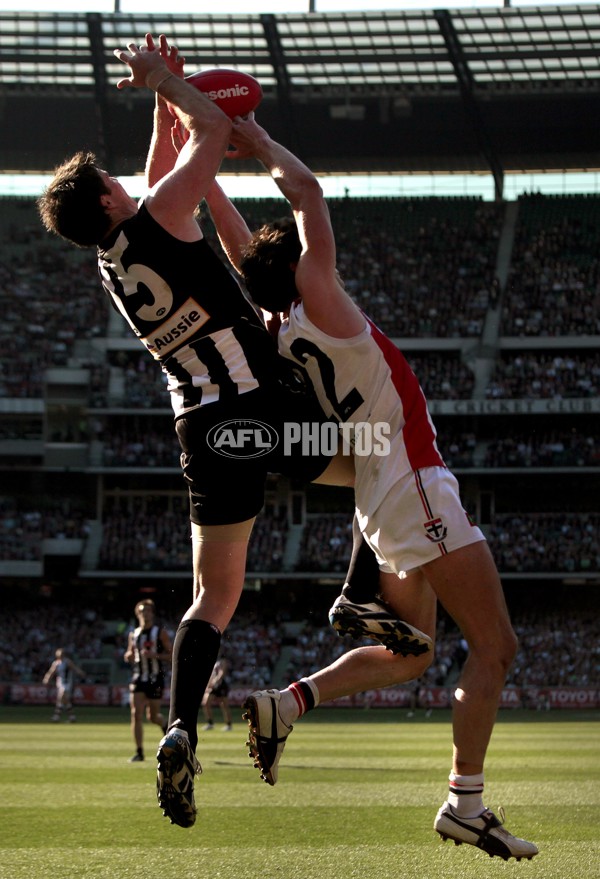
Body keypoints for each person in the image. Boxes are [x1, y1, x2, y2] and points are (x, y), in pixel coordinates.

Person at [38, 33, 404, 830]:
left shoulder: (115, 254)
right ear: (105, 199)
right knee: (382, 452)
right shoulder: (162, 214)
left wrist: (164, 108)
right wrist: (168, 83)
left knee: (213, 597)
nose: (120, 180)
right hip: (263, 410)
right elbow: (200, 145)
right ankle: (360, 592)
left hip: (203, 432)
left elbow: (163, 166)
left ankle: (180, 726)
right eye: (109, 180)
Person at [205, 114, 538, 861]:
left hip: (379, 491)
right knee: (497, 644)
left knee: (416, 652)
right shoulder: (318, 293)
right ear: (299, 266)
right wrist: (253, 138)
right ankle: (466, 802)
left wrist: (206, 174)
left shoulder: (279, 321)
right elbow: (309, 193)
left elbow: (241, 254)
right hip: (412, 480)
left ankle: (289, 701)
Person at [124, 599, 172, 762]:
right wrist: (128, 656)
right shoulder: (134, 634)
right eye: (143, 611)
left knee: (152, 716)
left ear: (153, 614)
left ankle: (165, 726)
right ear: (138, 614)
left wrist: (155, 656)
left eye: (149, 611)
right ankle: (139, 752)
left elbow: (172, 655)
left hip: (155, 678)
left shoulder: (159, 633)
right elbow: (130, 653)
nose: (146, 613)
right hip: (138, 677)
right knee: (135, 713)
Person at [42, 648, 85, 723]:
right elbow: (51, 672)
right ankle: (72, 717)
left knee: (61, 696)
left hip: (67, 683)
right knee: (65, 700)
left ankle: (56, 716)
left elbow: (74, 668)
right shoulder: (56, 663)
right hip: (59, 683)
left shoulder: (67, 662)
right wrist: (47, 678)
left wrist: (80, 672)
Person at [201, 655, 232, 731]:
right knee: (205, 703)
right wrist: (209, 684)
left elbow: (222, 672)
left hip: (221, 684)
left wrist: (215, 681)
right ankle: (210, 723)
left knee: (224, 705)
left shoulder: (222, 660)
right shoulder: (214, 661)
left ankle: (228, 725)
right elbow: (212, 674)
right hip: (213, 684)